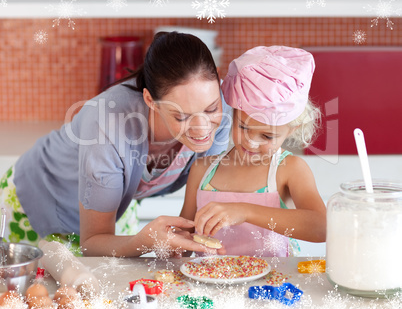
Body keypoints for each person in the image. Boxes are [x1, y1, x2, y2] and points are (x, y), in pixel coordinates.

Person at [0, 31, 232, 257]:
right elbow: (92, 243)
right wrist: (145, 243)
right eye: (182, 117)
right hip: (37, 199)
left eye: (211, 109)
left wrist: (183, 240)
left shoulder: (219, 105)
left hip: (114, 210)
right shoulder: (108, 125)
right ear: (150, 101)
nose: (202, 128)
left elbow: (200, 194)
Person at [180, 45, 326, 257]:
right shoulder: (202, 171)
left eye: (267, 136)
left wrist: (244, 211)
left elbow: (322, 228)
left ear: (291, 130)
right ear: (233, 114)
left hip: (273, 286)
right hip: (212, 287)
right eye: (243, 127)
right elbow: (184, 240)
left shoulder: (289, 170)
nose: (251, 143)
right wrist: (177, 243)